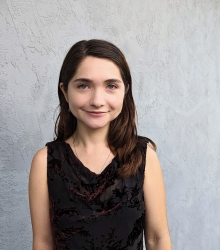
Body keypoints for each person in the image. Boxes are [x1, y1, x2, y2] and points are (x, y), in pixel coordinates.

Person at [29, 39, 172, 250]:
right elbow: (43, 243)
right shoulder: (45, 161)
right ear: (65, 91)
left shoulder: (143, 156)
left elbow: (157, 238)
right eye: (83, 85)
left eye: (111, 86)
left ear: (125, 91)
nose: (97, 100)